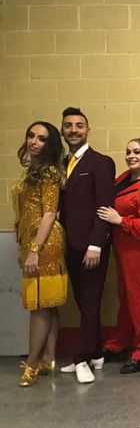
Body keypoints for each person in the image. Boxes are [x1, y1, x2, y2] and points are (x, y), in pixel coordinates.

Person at [97, 139, 140, 374]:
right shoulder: (125, 178)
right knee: (126, 299)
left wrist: (120, 220)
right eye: (128, 152)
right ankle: (120, 343)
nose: (131, 156)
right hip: (124, 249)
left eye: (137, 152)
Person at [58, 107, 115, 384]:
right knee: (83, 302)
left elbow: (104, 206)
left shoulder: (101, 162)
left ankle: (81, 359)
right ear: (62, 131)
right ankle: (96, 352)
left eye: (79, 125)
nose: (74, 130)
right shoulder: (62, 164)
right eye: (68, 125)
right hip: (69, 243)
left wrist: (96, 245)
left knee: (91, 301)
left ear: (88, 130)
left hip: (91, 245)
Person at [13, 121, 68, 387]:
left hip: (45, 243)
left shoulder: (49, 172)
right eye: (31, 135)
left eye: (42, 138)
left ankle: (32, 364)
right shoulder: (33, 171)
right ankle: (49, 359)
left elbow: (49, 213)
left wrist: (34, 249)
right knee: (47, 304)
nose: (34, 141)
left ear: (51, 144)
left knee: (39, 305)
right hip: (32, 241)